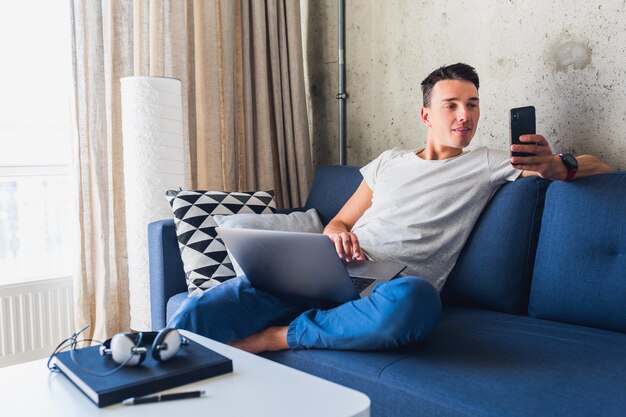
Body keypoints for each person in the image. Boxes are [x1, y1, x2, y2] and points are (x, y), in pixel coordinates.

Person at [169, 63, 612, 353]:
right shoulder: (388, 162)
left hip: (391, 288)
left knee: (416, 302)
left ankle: (278, 336)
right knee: (193, 315)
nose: (465, 116)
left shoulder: (490, 163)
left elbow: (601, 166)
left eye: (473, 105)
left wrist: (557, 166)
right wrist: (336, 234)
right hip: (334, 271)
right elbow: (341, 218)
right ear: (426, 115)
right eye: (452, 105)